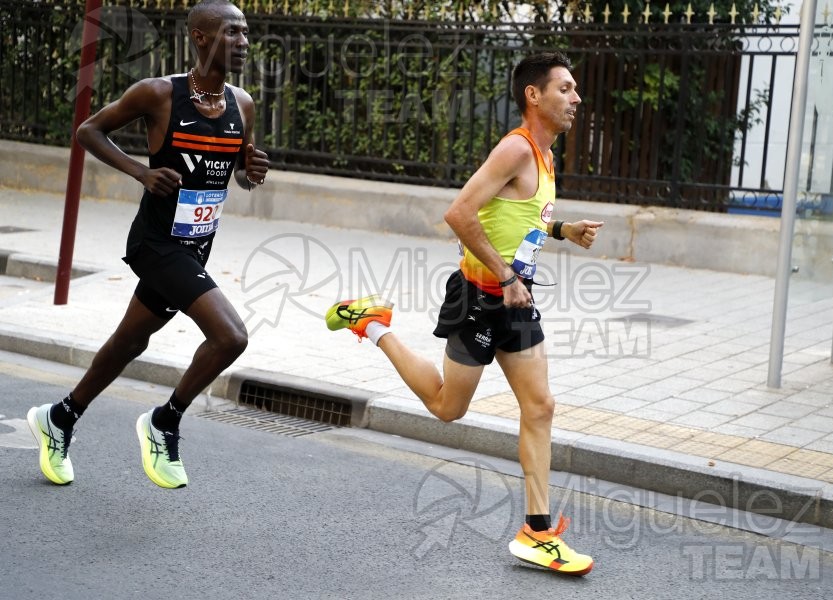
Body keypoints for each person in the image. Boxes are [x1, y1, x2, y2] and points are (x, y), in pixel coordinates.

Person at [326, 52, 600, 575]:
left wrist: (563, 229)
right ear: (534, 96)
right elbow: (459, 214)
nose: (576, 99)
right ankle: (373, 324)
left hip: (514, 301)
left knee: (540, 406)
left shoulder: (543, 156)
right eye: (565, 89)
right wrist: (507, 277)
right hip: (480, 297)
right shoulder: (516, 149)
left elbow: (518, 216)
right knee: (447, 408)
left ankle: (537, 533)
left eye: (576, 90)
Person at [26, 0, 268, 489]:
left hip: (196, 245)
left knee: (131, 340)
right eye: (232, 32)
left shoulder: (241, 104)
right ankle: (165, 421)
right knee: (231, 337)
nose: (243, 42)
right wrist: (140, 171)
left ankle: (60, 417)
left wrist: (250, 172)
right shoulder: (159, 94)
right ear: (201, 37)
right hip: (157, 243)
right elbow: (88, 131)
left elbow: (237, 172)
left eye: (246, 34)